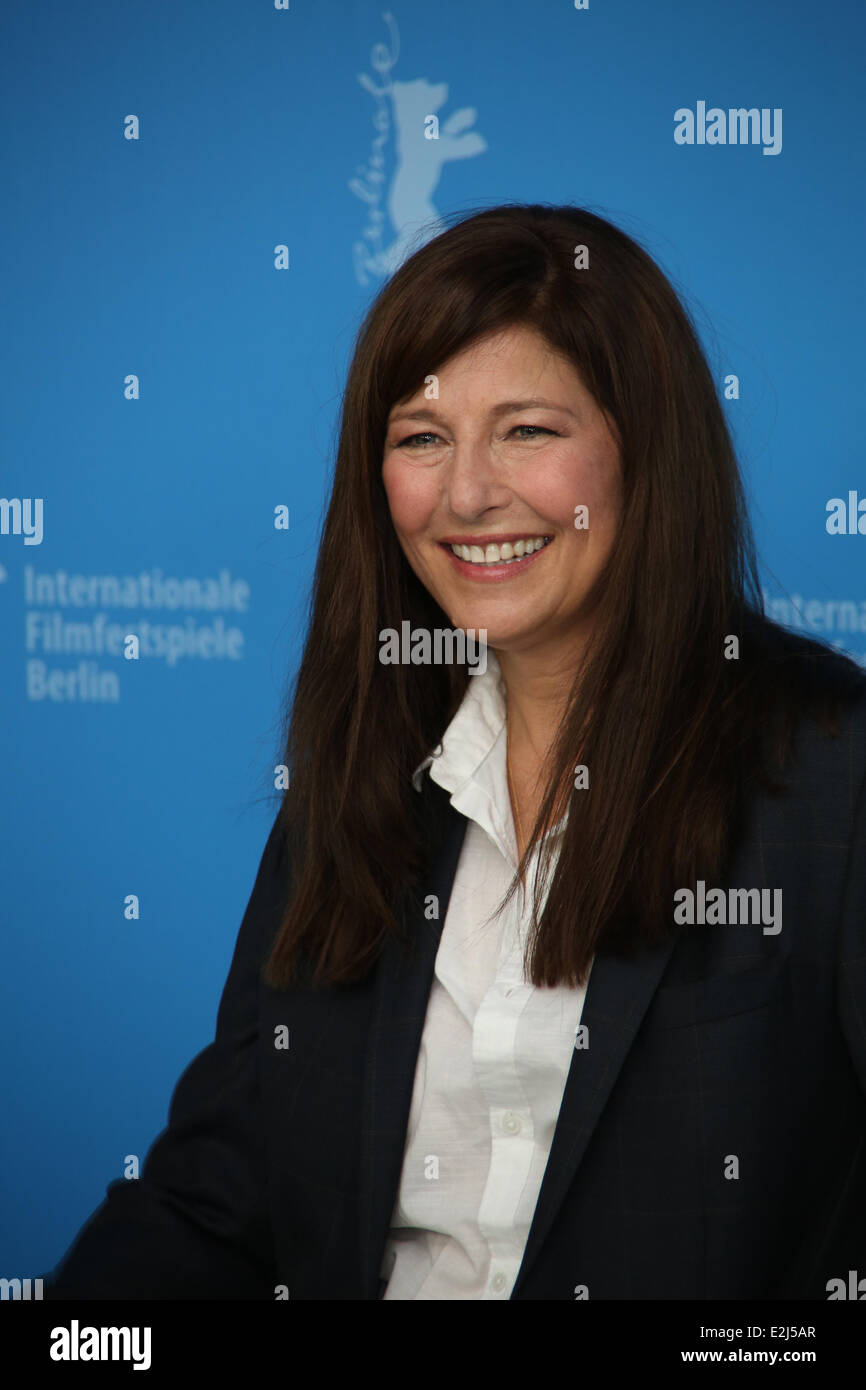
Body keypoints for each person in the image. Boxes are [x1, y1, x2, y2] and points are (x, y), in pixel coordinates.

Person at [45, 203, 866, 1300]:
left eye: (526, 430)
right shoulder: (362, 776)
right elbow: (217, 1198)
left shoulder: (831, 778)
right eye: (421, 437)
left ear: (644, 449)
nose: (467, 493)